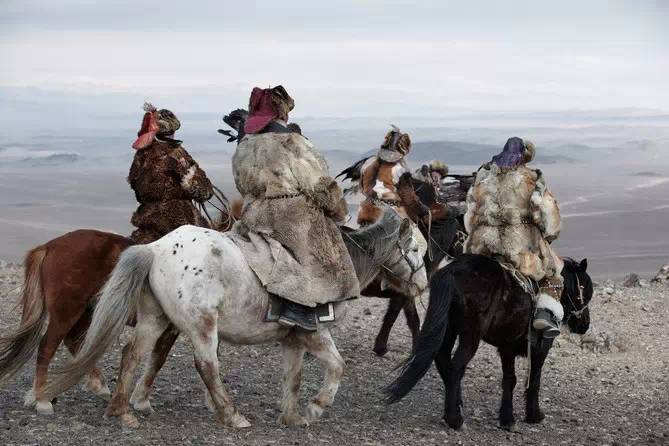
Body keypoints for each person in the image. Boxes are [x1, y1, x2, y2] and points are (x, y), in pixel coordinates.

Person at [231, 86, 359, 331]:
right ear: (283, 113)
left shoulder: (245, 145)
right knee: (321, 251)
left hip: (253, 213)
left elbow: (240, 183)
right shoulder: (293, 142)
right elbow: (319, 185)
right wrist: (338, 211)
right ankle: (302, 310)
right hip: (289, 214)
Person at [463, 137, 564, 338]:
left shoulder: (483, 177)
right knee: (554, 273)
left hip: (481, 246)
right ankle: (544, 316)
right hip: (518, 247)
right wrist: (548, 233)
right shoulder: (533, 179)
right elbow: (547, 216)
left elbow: (469, 215)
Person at [128, 103, 213, 244]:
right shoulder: (176, 154)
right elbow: (203, 191)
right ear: (172, 130)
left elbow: (135, 185)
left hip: (148, 219)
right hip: (177, 221)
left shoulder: (140, 155)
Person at [356, 126, 412, 225]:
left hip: (367, 211)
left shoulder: (368, 164)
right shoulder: (399, 169)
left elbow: (362, 188)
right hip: (390, 216)